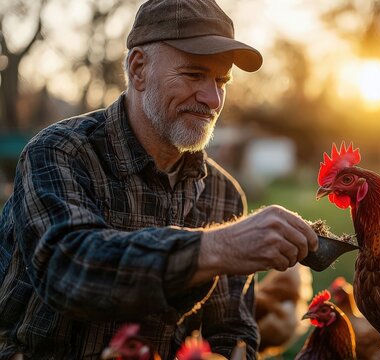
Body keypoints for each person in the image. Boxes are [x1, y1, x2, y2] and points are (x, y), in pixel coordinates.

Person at [0, 0, 319, 359]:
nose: (212, 99)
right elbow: (69, 270)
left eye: (221, 80)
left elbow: (231, 330)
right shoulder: (59, 153)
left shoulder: (224, 195)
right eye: (194, 74)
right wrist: (216, 247)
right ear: (138, 69)